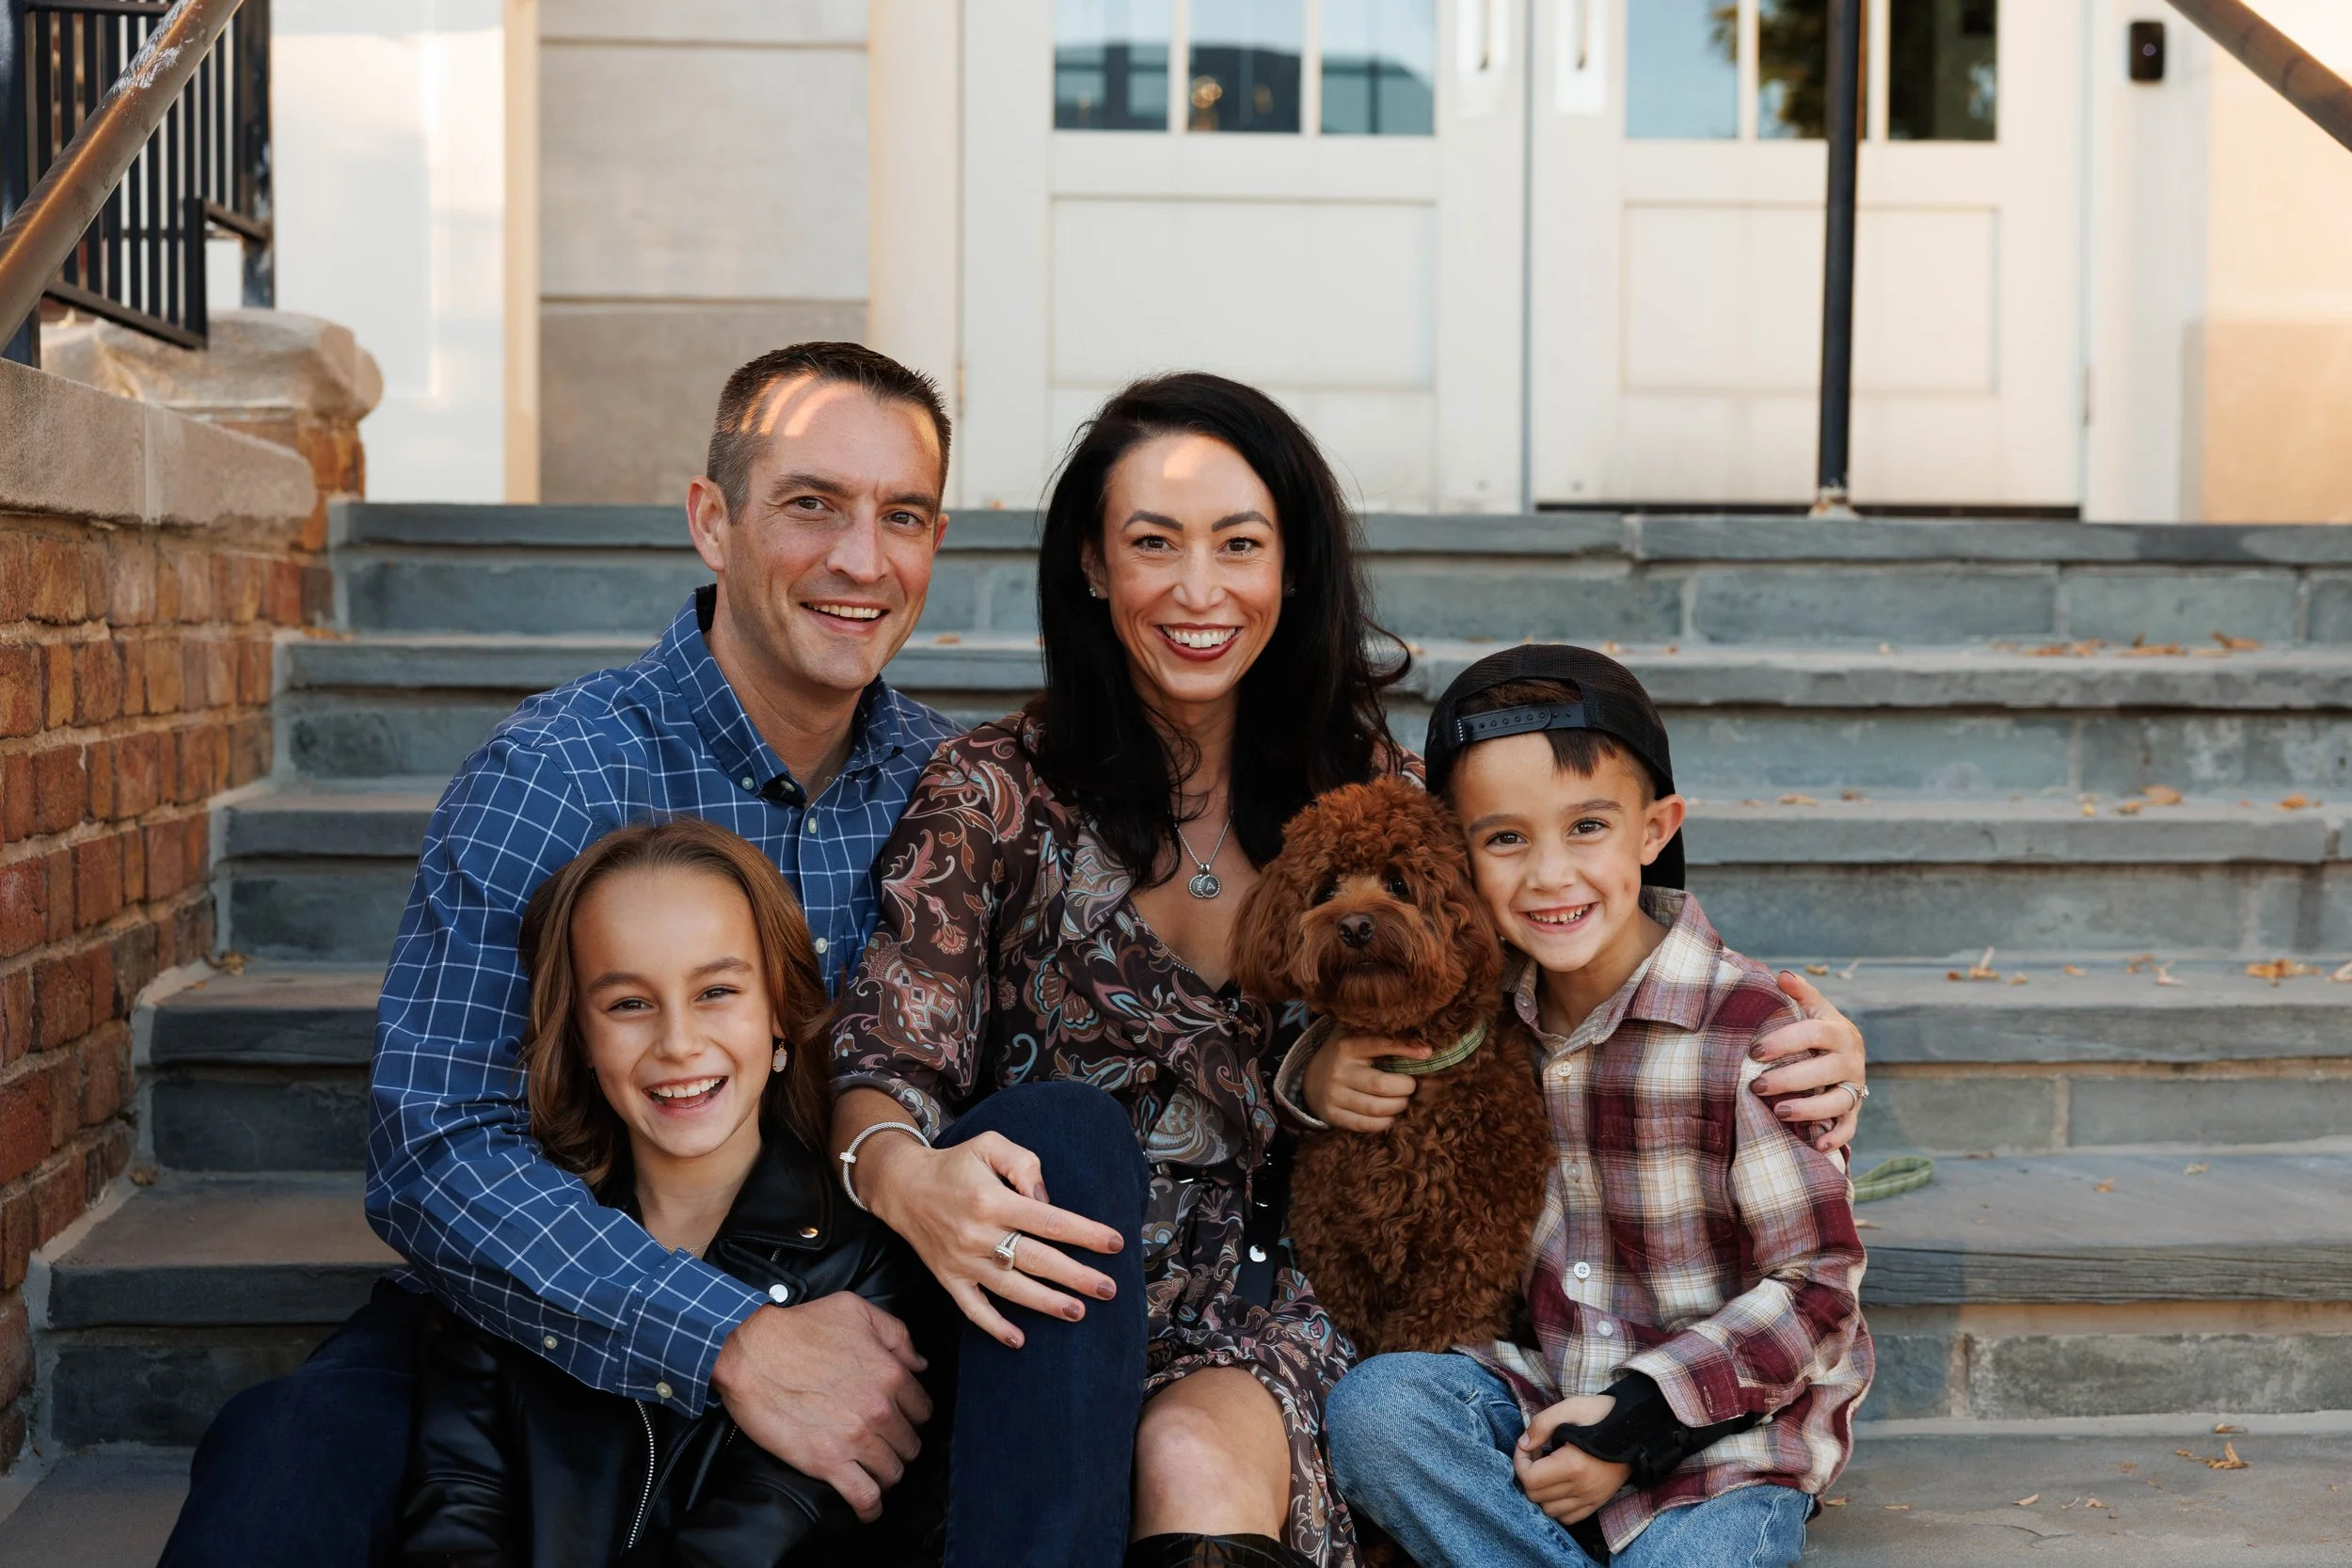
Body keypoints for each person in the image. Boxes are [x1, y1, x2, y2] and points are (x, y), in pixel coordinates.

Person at [825, 380, 1876, 1568]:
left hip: (1280, 1294)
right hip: (1050, 1281)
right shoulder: (995, 792)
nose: (1198, 588)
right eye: (1154, 543)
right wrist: (901, 1170)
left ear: (1293, 567)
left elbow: (1551, 927)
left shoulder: (1367, 781)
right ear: (1090, 564)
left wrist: (1787, 1033)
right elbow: (886, 1047)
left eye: (1240, 544)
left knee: (1203, 1461)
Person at [160, 343, 966, 1567]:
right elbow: (435, 1144)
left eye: (899, 515)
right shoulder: (560, 771)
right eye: (811, 503)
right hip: (534, 1317)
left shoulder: (955, 793)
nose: (862, 557)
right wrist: (726, 1335)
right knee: (290, 1457)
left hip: (852, 1311)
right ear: (713, 519)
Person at [1316, 646, 1873, 1568]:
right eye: (1503, 838)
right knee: (1377, 1410)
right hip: (1538, 1396)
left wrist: (1635, 1421)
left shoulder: (1752, 1035)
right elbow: (1352, 1011)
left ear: (1654, 829)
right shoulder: (1479, 1011)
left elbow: (1815, 1289)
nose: (1548, 875)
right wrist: (1314, 1067)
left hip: (1720, 1444)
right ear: (1457, 853)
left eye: (1585, 826)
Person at [400, 817, 947, 1566]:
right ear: (583, 1042)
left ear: (781, 1014)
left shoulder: (866, 1263)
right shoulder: (522, 1249)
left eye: (717, 990)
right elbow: (454, 1507)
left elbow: (757, 1539)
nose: (679, 1042)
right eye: (628, 1003)